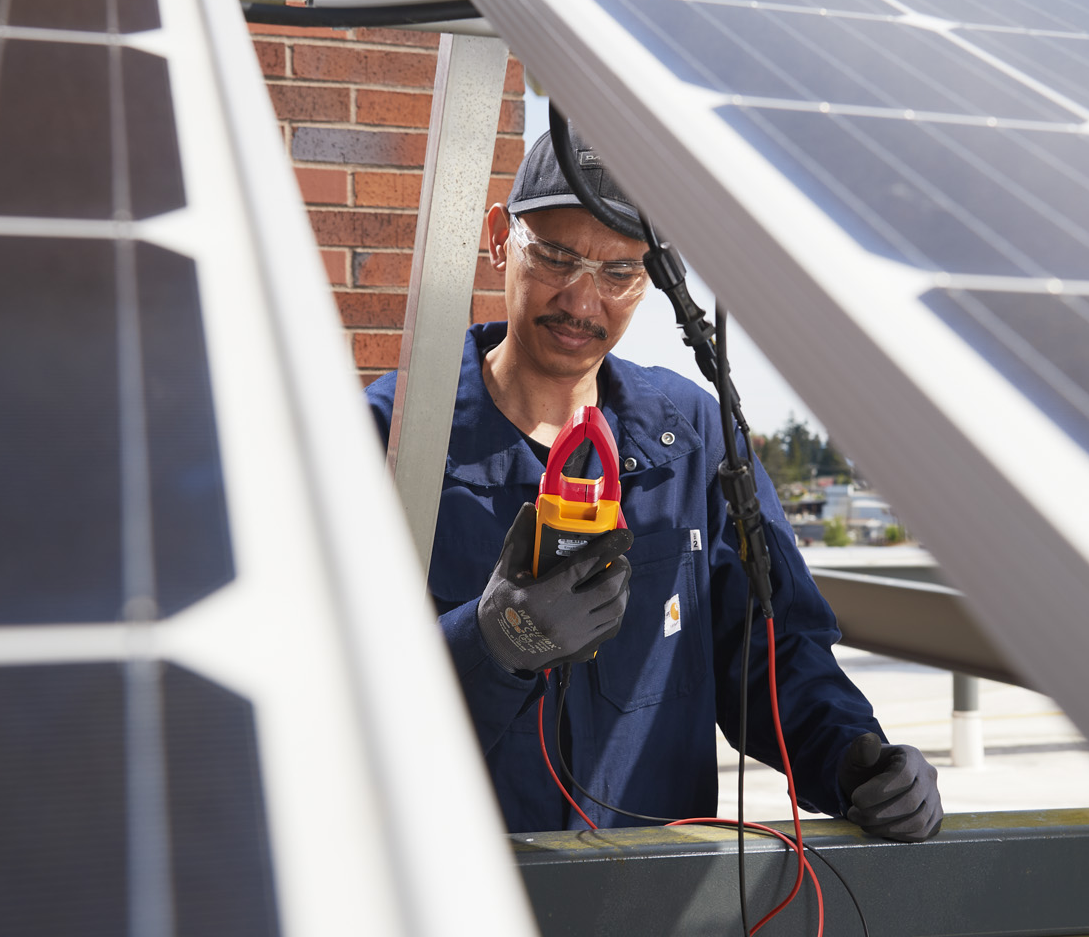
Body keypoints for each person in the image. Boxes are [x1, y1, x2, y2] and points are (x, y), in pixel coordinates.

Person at [366, 129, 942, 841]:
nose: (582, 301)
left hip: (658, 898)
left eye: (620, 273)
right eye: (555, 256)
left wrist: (854, 757)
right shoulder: (385, 441)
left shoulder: (694, 437)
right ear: (497, 237)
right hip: (461, 893)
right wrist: (491, 644)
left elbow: (772, 649)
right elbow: (326, 705)